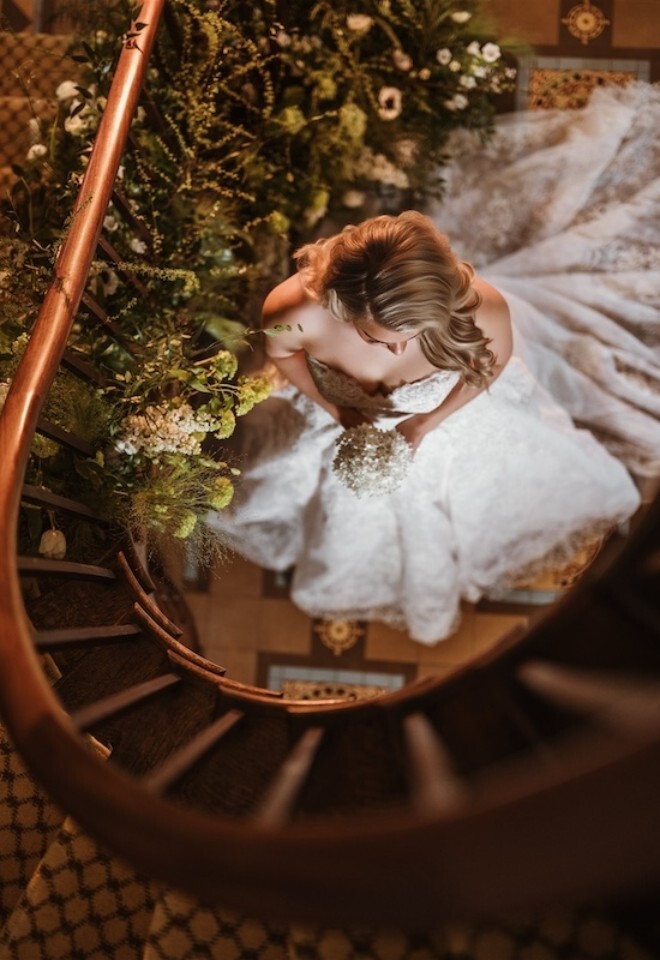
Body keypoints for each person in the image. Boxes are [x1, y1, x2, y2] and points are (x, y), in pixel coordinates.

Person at [208, 81, 659, 645]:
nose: (399, 351)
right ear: (342, 307)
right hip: (336, 417)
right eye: (380, 337)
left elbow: (489, 369)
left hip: (451, 424)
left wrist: (430, 421)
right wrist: (331, 408)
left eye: (411, 335)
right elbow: (282, 356)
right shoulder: (293, 309)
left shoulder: (479, 306)